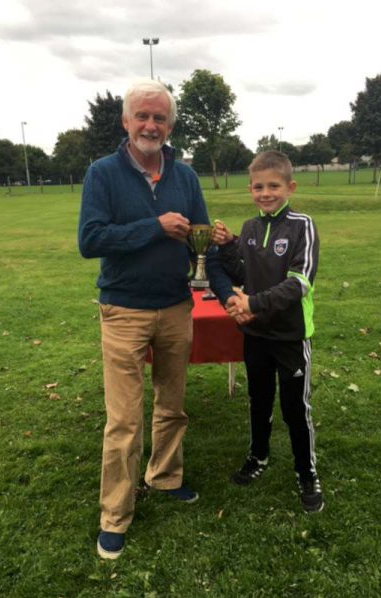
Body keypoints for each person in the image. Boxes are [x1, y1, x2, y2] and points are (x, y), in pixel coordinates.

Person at [78, 80, 233, 559]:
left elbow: (197, 238)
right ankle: (116, 514)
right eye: (142, 116)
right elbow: (91, 240)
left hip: (175, 305)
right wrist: (155, 227)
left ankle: (165, 477)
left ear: (169, 126)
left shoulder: (184, 176)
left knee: (172, 403)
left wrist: (214, 240)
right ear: (126, 122)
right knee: (124, 419)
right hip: (123, 309)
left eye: (160, 118)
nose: (151, 125)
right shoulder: (102, 173)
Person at [213, 150, 324, 513]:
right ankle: (258, 456)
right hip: (257, 336)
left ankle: (306, 472)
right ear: (250, 189)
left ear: (289, 187)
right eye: (258, 186)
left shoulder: (301, 225)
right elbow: (245, 276)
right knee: (258, 402)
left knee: (295, 408)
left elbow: (300, 283)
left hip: (290, 336)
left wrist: (252, 304)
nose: (265, 193)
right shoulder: (249, 227)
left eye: (273, 186)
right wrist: (229, 245)